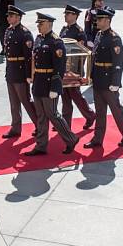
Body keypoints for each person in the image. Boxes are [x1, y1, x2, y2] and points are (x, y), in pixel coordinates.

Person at [23, 12, 80, 156]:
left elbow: (59, 67)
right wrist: (31, 77)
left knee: (53, 114)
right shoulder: (38, 39)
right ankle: (41, 145)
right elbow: (34, 60)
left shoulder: (56, 42)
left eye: (41, 24)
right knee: (41, 116)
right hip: (38, 82)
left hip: (50, 83)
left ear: (49, 24)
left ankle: (71, 139)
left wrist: (55, 87)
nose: (39, 26)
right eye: (38, 24)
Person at [84, 7, 123, 148]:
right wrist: (91, 76)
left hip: (108, 79)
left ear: (107, 20)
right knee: (100, 112)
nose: (97, 21)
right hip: (98, 78)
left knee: (116, 110)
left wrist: (116, 82)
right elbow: (94, 57)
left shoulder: (114, 38)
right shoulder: (99, 34)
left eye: (99, 19)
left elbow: (118, 62)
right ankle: (97, 139)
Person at [1, 5, 38, 138]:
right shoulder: (9, 31)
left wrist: (29, 75)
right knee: (13, 103)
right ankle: (15, 128)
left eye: (11, 16)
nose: (8, 18)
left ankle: (39, 125)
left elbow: (29, 58)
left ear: (18, 17)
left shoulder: (25, 33)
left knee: (26, 101)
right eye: (8, 15)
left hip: (21, 72)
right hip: (11, 70)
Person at [59, 4, 96, 129]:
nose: (66, 16)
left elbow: (82, 53)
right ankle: (65, 122)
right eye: (65, 14)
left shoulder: (79, 32)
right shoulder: (64, 29)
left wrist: (75, 71)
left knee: (75, 96)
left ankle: (90, 115)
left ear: (75, 15)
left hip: (73, 70)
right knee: (65, 97)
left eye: (68, 14)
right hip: (64, 69)